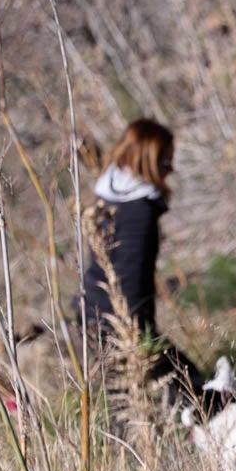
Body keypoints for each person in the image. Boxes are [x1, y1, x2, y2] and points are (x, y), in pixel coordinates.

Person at [82, 118, 175, 341]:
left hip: (93, 311)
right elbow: (131, 282)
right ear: (148, 161)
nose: (171, 169)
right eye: (166, 161)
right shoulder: (139, 211)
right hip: (116, 325)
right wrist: (140, 341)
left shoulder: (107, 195)